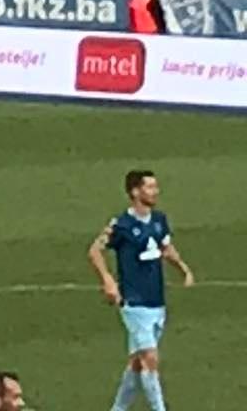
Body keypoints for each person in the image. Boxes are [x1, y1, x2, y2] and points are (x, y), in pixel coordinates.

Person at [87, 169, 194, 411]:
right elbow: (95, 251)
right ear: (135, 192)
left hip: (156, 301)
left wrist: (183, 269)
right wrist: (108, 280)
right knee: (150, 359)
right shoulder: (122, 225)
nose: (155, 191)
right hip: (134, 303)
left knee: (137, 364)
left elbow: (166, 248)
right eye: (150, 187)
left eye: (155, 187)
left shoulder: (159, 220)